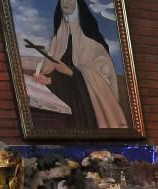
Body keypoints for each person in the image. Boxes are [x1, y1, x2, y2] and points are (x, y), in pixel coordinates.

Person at [32, 0, 128, 129]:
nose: (65, 2)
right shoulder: (57, 40)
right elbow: (51, 69)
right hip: (61, 98)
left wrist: (71, 72)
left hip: (84, 106)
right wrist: (43, 76)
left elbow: (103, 76)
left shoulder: (93, 43)